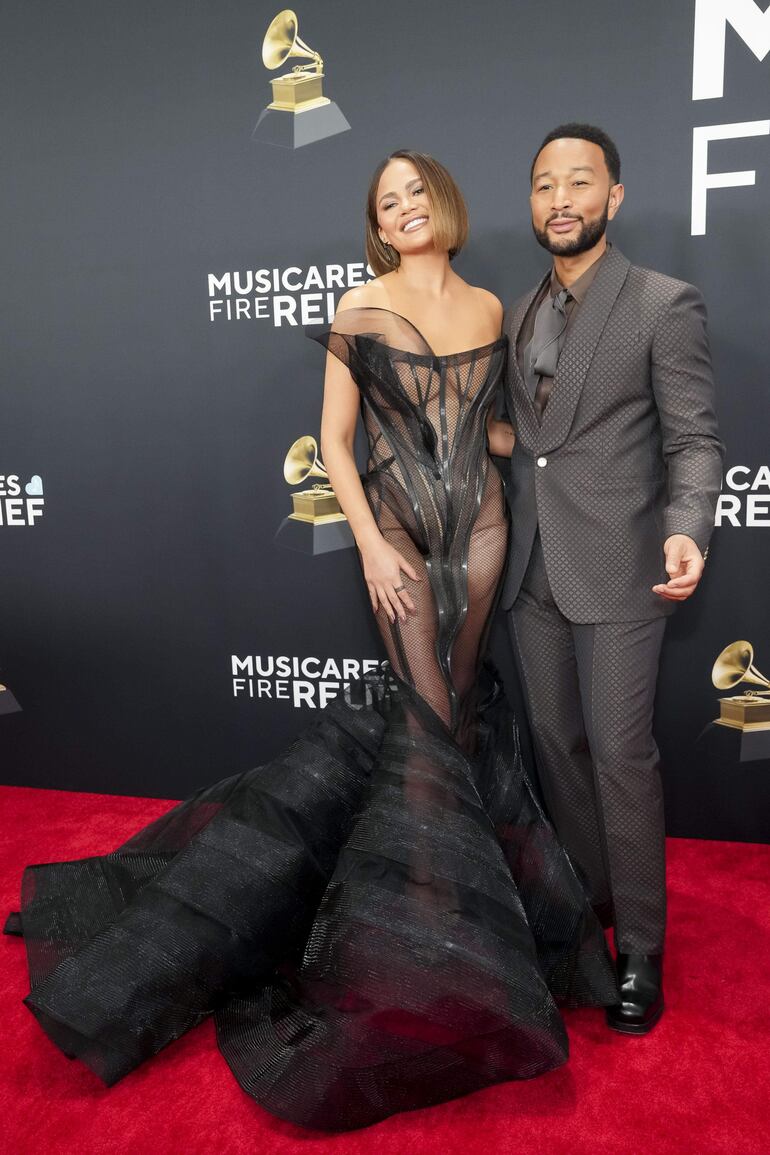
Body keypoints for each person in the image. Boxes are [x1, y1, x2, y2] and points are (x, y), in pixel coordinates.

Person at [5, 150, 617, 1132]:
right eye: (389, 200)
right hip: (399, 538)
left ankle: (452, 904)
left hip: (487, 529)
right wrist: (372, 545)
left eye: (417, 191)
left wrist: (565, 444)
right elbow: (333, 441)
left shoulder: (493, 307)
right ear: (375, 222)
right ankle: (418, 925)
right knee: (420, 717)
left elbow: (492, 429)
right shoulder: (355, 305)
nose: (407, 207)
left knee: (456, 716)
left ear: (442, 204)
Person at [489, 124, 724, 1035]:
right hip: (532, 567)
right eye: (545, 183)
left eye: (579, 182)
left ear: (613, 197)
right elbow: (533, 446)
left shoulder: (663, 303)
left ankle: (645, 952)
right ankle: (590, 913)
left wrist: (687, 528)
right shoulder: (515, 312)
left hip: (625, 564)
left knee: (623, 755)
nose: (560, 199)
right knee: (558, 746)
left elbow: (694, 438)